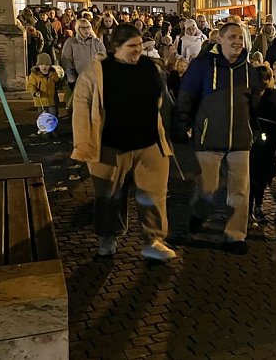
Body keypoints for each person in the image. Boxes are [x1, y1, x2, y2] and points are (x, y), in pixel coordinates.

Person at [70, 24, 177, 261]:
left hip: (150, 144)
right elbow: (81, 107)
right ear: (116, 47)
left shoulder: (149, 66)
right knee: (109, 196)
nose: (138, 50)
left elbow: (162, 101)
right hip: (110, 146)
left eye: (140, 44)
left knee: (154, 195)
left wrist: (169, 130)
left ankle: (154, 240)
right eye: (132, 46)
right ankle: (108, 239)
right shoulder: (96, 71)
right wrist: (83, 144)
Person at [174, 22, 262, 255]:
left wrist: (254, 128)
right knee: (208, 187)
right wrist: (182, 124)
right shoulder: (202, 66)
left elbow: (254, 103)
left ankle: (234, 236)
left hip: (240, 140)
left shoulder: (248, 69)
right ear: (220, 40)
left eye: (241, 38)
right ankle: (198, 213)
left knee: (240, 191)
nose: (237, 42)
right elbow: (186, 96)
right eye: (232, 37)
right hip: (209, 138)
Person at [248, 65, 276, 226]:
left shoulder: (273, 97)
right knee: (252, 178)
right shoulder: (249, 98)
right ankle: (250, 208)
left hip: (268, 146)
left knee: (262, 178)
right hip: (254, 145)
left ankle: (257, 206)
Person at [61, 18, 107, 94]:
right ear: (77, 28)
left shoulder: (97, 42)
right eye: (83, 28)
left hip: (95, 78)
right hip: (79, 78)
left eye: (88, 27)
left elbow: (104, 58)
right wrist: (71, 77)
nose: (86, 30)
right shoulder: (71, 42)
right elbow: (66, 60)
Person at [26, 53, 61, 127]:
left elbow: (58, 82)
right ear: (38, 65)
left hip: (52, 101)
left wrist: (58, 75)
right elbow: (31, 85)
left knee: (53, 116)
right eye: (42, 64)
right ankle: (44, 132)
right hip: (41, 101)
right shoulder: (34, 75)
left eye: (47, 65)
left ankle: (53, 130)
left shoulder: (53, 74)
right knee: (43, 118)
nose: (44, 67)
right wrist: (34, 92)